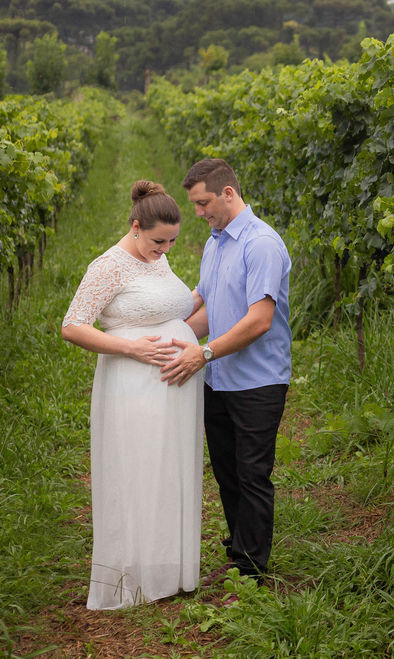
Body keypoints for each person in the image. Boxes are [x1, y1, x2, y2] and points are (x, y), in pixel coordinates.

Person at [61, 181, 203, 610]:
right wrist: (132, 347)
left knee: (167, 470)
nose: (166, 250)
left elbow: (169, 306)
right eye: (160, 241)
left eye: (174, 241)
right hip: (133, 385)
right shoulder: (109, 266)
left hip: (173, 389)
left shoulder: (156, 259)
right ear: (136, 227)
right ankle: (135, 574)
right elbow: (73, 325)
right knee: (138, 469)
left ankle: (167, 568)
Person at [160, 158, 291, 584]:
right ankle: (239, 553)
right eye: (195, 205)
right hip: (218, 378)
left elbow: (259, 320)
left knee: (252, 473)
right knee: (227, 471)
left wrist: (203, 354)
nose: (198, 213)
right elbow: (209, 313)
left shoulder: (261, 244)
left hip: (257, 381)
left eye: (203, 203)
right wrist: (165, 341)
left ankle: (252, 572)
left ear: (228, 193)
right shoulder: (216, 243)